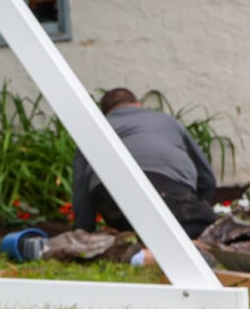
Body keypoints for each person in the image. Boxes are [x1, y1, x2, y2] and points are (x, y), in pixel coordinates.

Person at [70, 88, 218, 238]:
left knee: (142, 228)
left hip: (113, 198)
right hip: (169, 189)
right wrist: (199, 203)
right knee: (202, 228)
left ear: (105, 114)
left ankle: (137, 242)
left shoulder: (94, 130)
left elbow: (81, 191)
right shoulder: (166, 120)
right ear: (138, 104)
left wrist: (85, 233)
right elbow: (206, 177)